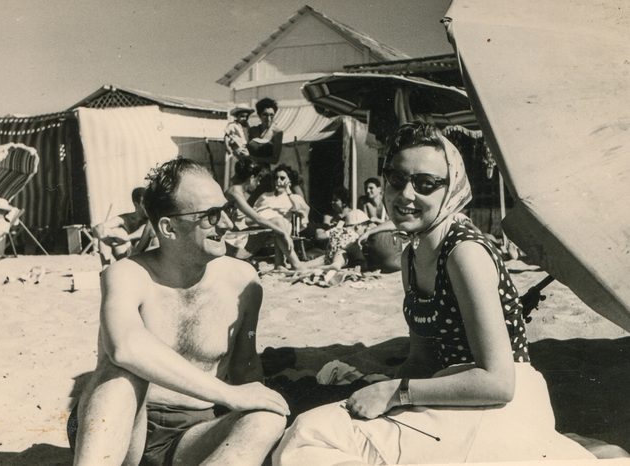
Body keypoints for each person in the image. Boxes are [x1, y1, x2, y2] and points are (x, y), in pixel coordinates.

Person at [272, 122, 594, 465]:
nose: (406, 195)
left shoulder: (464, 253)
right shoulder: (412, 255)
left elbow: (499, 381)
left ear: (450, 189)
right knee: (309, 432)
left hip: (499, 407)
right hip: (451, 396)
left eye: (425, 184)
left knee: (306, 440)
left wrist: (394, 392)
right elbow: (423, 360)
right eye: (396, 179)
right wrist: (379, 384)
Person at [68, 158, 289, 466]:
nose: (227, 223)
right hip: (124, 426)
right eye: (211, 216)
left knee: (267, 419)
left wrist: (249, 403)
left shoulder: (244, 281)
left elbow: (246, 370)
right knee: (122, 376)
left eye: (226, 210)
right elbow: (125, 346)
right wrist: (227, 394)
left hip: (193, 436)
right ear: (168, 228)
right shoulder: (128, 274)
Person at [225, 158, 305, 270]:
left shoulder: (237, 191)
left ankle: (279, 263)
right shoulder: (235, 193)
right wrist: (284, 233)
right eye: (258, 180)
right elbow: (257, 218)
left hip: (240, 237)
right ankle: (296, 264)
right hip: (233, 243)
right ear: (252, 178)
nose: (258, 184)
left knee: (279, 222)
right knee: (277, 222)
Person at [92, 187, 154, 266]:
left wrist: (127, 237)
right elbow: (99, 227)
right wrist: (102, 233)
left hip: (145, 254)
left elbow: (146, 229)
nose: (148, 206)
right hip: (129, 254)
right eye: (144, 203)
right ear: (136, 204)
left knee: (121, 233)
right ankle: (105, 267)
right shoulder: (126, 218)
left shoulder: (152, 218)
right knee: (109, 234)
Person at [304, 209, 371, 272]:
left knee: (315, 262)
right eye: (365, 226)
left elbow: (320, 236)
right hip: (341, 256)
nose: (366, 229)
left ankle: (304, 266)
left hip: (328, 256)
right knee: (342, 254)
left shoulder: (336, 230)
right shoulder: (356, 236)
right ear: (358, 226)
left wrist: (319, 229)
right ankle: (335, 265)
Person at [253, 164, 310, 234]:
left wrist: (288, 191)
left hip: (281, 230)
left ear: (290, 181)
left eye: (282, 178)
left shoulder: (295, 198)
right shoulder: (265, 195)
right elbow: (254, 213)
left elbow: (301, 210)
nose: (278, 181)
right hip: (259, 230)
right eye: (276, 178)